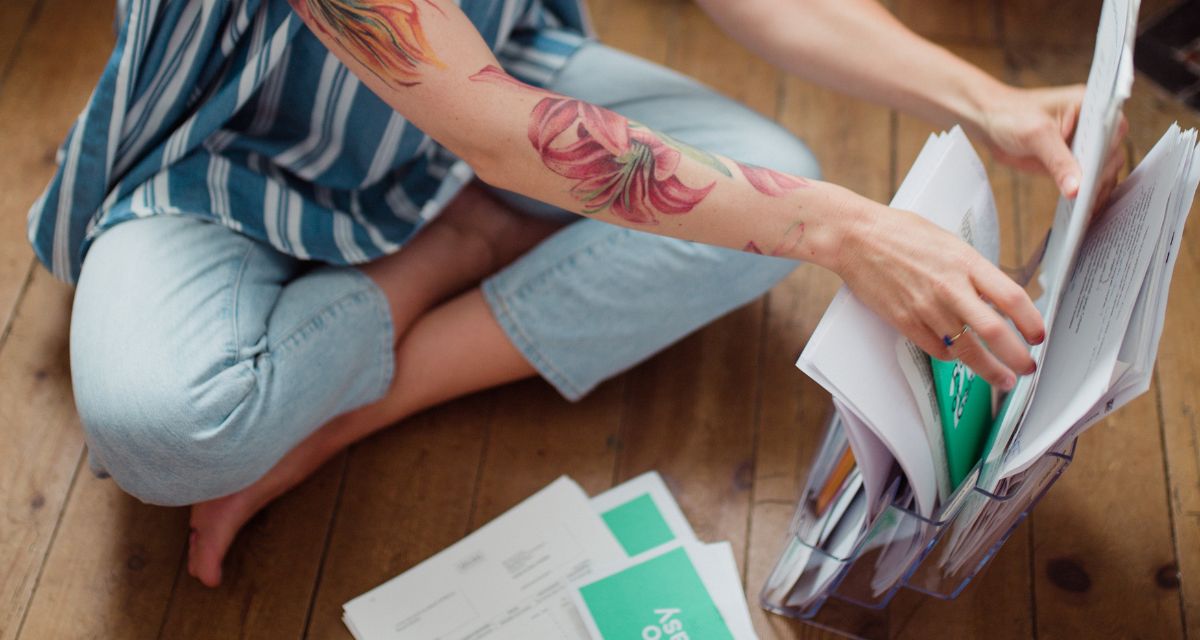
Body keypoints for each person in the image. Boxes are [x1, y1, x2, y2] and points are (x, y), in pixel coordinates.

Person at [30, 0, 1124, 588]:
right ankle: (454, 250)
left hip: (490, 85)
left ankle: (349, 406)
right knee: (171, 428)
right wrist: (845, 226)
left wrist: (986, 99)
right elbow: (501, 133)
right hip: (225, 152)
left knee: (757, 172)